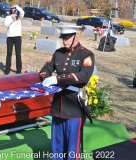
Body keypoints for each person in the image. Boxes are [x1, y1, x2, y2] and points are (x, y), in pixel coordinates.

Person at [39, 26, 95, 160]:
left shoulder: (86, 55)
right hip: (58, 106)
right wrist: (46, 77)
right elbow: (45, 69)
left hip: (74, 106)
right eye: (63, 38)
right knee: (56, 146)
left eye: (68, 37)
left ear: (77, 36)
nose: (64, 41)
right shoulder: (58, 53)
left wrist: (57, 79)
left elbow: (83, 76)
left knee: (72, 149)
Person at [3, 5, 24, 75]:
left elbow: (22, 12)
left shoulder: (19, 17)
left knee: (18, 54)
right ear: (11, 10)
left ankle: (18, 70)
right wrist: (12, 18)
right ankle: (7, 69)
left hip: (17, 37)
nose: (14, 10)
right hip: (10, 37)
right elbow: (6, 25)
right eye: (13, 8)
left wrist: (17, 6)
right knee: (9, 54)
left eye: (15, 9)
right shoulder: (8, 17)